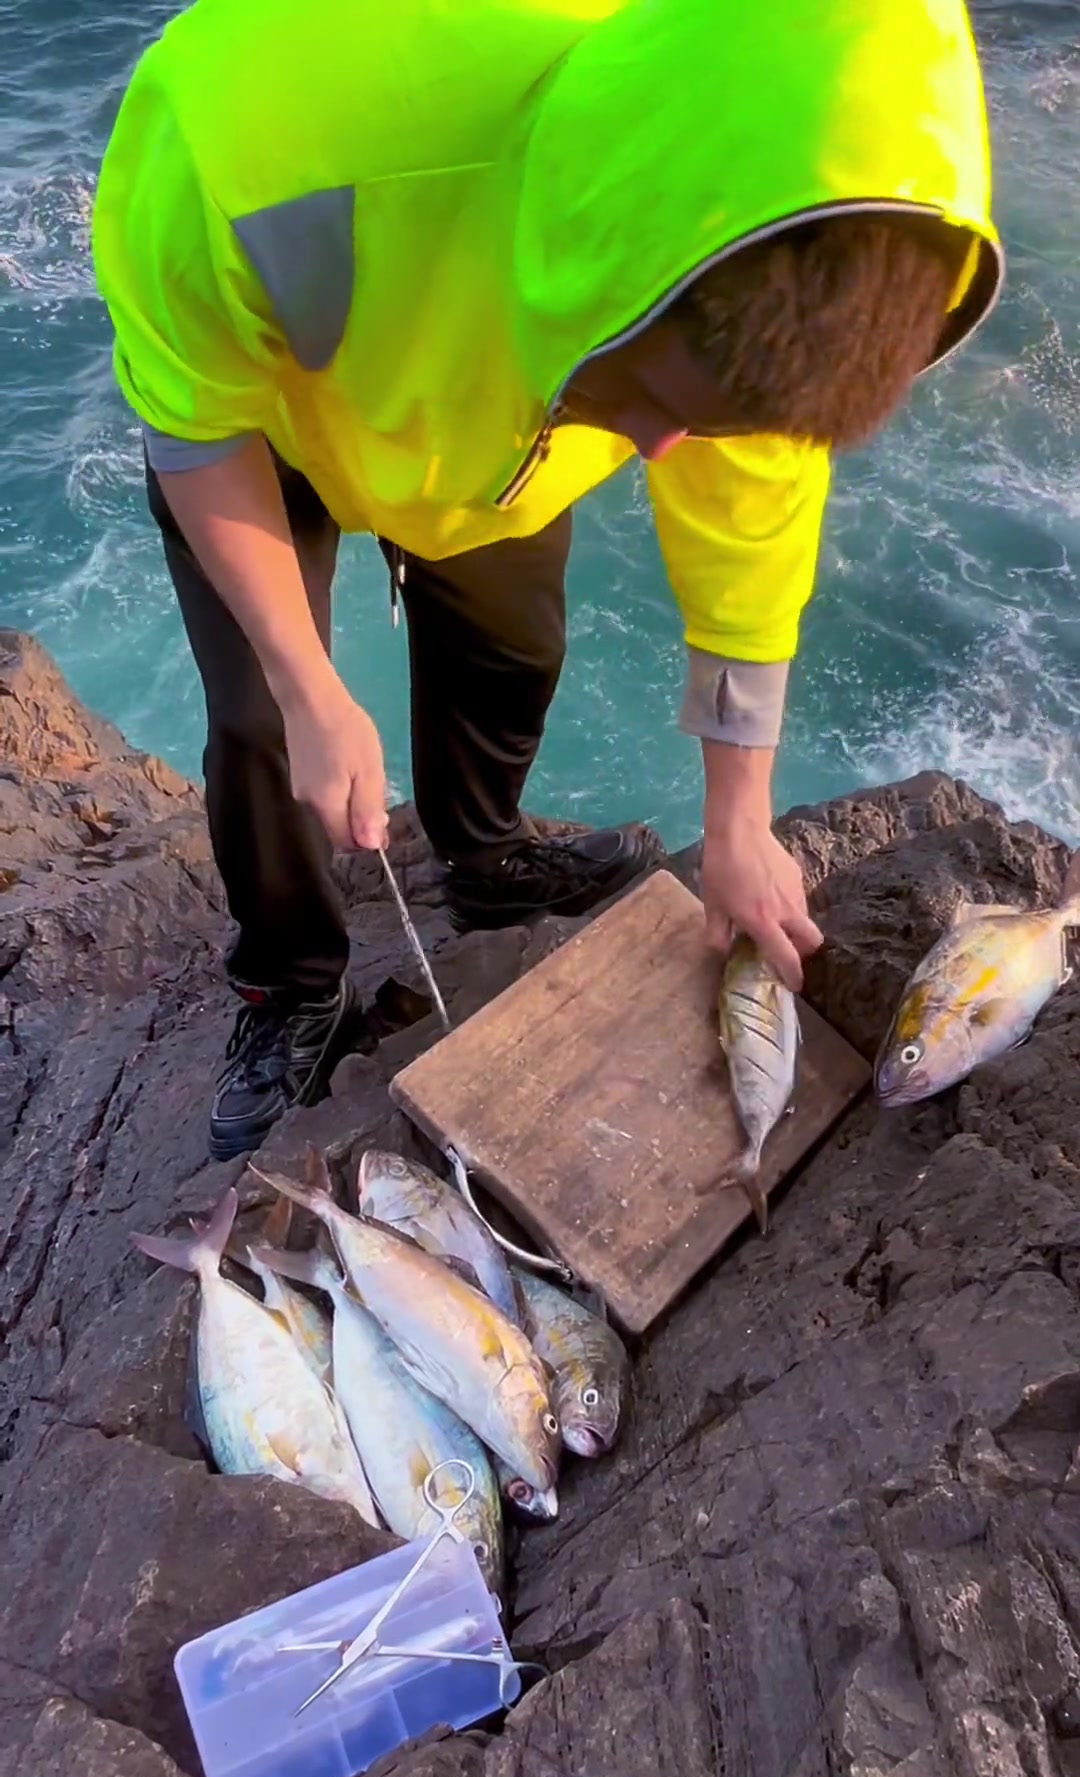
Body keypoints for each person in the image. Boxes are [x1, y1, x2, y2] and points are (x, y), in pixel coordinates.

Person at [91, 0, 1002, 1163]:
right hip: (270, 432)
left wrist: (738, 814)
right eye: (664, 410)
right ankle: (285, 985)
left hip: (511, 441)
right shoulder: (249, 131)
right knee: (264, 734)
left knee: (514, 652)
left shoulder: (771, 241)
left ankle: (485, 859)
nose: (669, 452)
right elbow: (189, 426)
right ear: (602, 261)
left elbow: (751, 536)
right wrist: (310, 681)